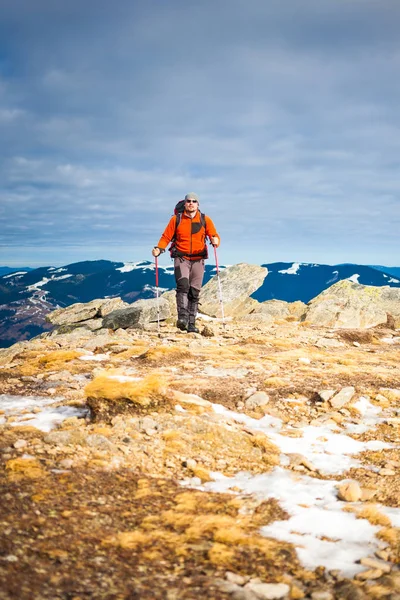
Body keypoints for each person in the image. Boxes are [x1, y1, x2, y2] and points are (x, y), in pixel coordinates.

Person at [152, 193, 220, 333]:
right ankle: (182, 318)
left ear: (198, 204)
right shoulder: (176, 220)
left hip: (199, 259)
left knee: (194, 291)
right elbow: (166, 236)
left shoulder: (205, 219)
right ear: (184, 203)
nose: (191, 203)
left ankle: (191, 324)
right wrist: (159, 248)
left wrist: (216, 240)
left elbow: (213, 234)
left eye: (194, 201)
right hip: (181, 257)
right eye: (188, 201)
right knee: (183, 286)